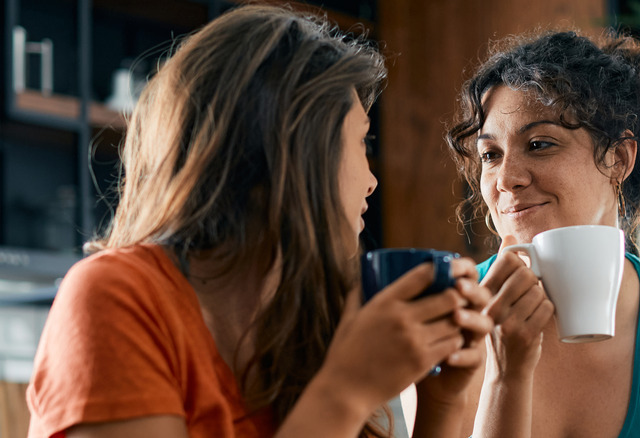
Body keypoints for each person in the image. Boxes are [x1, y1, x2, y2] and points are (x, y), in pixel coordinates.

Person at [26, 5, 494, 438]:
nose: (371, 181)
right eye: (361, 143)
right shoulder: (115, 296)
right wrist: (345, 391)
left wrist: (443, 403)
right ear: (284, 155)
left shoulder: (308, 321)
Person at [447, 30, 640, 437]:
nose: (506, 179)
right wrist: (504, 377)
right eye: (490, 155)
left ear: (618, 159)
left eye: (538, 144)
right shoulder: (449, 319)